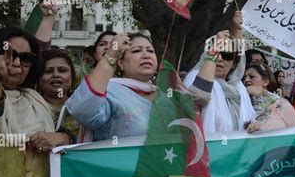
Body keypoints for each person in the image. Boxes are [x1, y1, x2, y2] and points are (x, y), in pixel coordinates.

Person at [67, 32, 213, 141]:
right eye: (136, 51)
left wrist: (212, 55)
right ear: (121, 63)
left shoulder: (166, 97)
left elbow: (198, 101)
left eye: (150, 51)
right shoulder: (108, 91)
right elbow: (83, 111)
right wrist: (111, 54)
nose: (146, 55)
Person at [0, 27, 70, 177]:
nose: (16, 63)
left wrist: (62, 138)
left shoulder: (36, 101)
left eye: (26, 58)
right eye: (8, 54)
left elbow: (69, 136)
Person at [183, 12, 255, 132]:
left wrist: (253, 127)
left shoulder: (238, 89)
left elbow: (249, 120)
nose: (220, 58)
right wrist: (215, 48)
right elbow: (200, 96)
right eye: (217, 52)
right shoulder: (196, 77)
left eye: (227, 55)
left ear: (233, 64)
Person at [243, 64, 295, 133]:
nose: (246, 80)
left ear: (266, 82)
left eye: (251, 77)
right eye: (244, 77)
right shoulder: (240, 103)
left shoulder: (282, 105)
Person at [38, 49, 79, 142]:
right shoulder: (29, 107)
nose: (56, 75)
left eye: (62, 70)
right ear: (38, 78)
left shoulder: (81, 110)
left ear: (72, 76)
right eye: (48, 71)